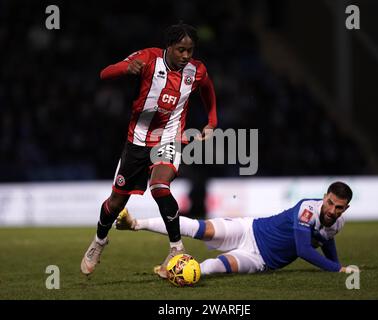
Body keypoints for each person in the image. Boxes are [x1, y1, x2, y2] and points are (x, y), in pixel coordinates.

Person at [80, 23, 217, 278]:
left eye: (190, 50)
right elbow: (104, 74)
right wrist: (125, 68)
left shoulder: (197, 71)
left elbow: (208, 90)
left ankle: (176, 248)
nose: (186, 55)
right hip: (138, 141)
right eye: (181, 50)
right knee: (116, 202)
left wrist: (212, 122)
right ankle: (99, 241)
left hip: (169, 139)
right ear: (169, 47)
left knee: (160, 187)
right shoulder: (147, 59)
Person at [115, 181, 354, 275]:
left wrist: (337, 265)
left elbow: (327, 239)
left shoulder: (337, 223)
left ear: (346, 208)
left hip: (261, 260)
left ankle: (174, 272)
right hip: (250, 229)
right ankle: (135, 224)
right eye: (330, 203)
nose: (332, 210)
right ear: (325, 197)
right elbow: (304, 249)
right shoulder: (308, 209)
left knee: (219, 267)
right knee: (201, 229)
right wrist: (337, 269)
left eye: (339, 207)